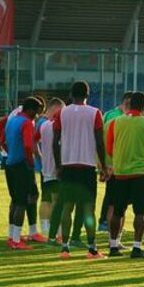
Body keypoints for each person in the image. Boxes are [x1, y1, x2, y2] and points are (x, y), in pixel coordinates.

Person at [53, 81, 108, 259]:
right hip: (86, 166)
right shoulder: (95, 113)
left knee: (67, 206)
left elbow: (55, 141)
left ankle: (64, 247)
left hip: (68, 165)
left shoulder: (62, 112)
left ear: (71, 93)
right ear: (87, 94)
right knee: (88, 208)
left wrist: (58, 165)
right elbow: (100, 142)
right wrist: (104, 166)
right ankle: (92, 248)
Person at [107, 91, 144, 259]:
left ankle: (113, 246)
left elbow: (109, 147)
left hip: (120, 173)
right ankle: (137, 247)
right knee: (140, 212)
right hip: (140, 173)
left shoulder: (116, 122)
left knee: (117, 211)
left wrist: (119, 160)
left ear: (129, 105)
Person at [3, 97, 43, 249]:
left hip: (10, 164)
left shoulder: (12, 120)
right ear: (31, 110)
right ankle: (16, 240)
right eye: (37, 111)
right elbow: (28, 145)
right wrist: (30, 162)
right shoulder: (27, 123)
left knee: (16, 200)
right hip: (22, 166)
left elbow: (3, 140)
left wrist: (11, 152)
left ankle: (12, 235)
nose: (37, 115)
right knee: (25, 199)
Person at [98, 91, 132, 231]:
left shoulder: (130, 117)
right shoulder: (112, 116)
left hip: (122, 164)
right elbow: (106, 141)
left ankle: (113, 226)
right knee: (112, 197)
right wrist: (104, 165)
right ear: (125, 103)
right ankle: (105, 223)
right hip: (113, 164)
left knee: (117, 198)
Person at [35, 98, 64, 244]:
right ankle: (56, 233)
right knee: (56, 201)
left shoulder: (43, 124)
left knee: (46, 199)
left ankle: (46, 230)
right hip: (55, 168)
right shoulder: (54, 125)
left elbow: (34, 140)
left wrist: (40, 156)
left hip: (45, 168)